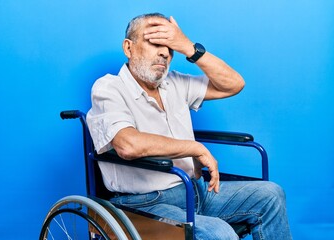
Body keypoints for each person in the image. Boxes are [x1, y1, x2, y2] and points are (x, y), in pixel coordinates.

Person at [87, 13, 292, 240]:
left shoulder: (175, 82)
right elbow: (127, 144)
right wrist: (195, 148)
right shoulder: (108, 88)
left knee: (271, 195)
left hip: (196, 191)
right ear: (129, 48)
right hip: (147, 203)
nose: (165, 52)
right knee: (220, 233)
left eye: (170, 46)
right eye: (155, 43)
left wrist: (188, 47)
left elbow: (233, 84)